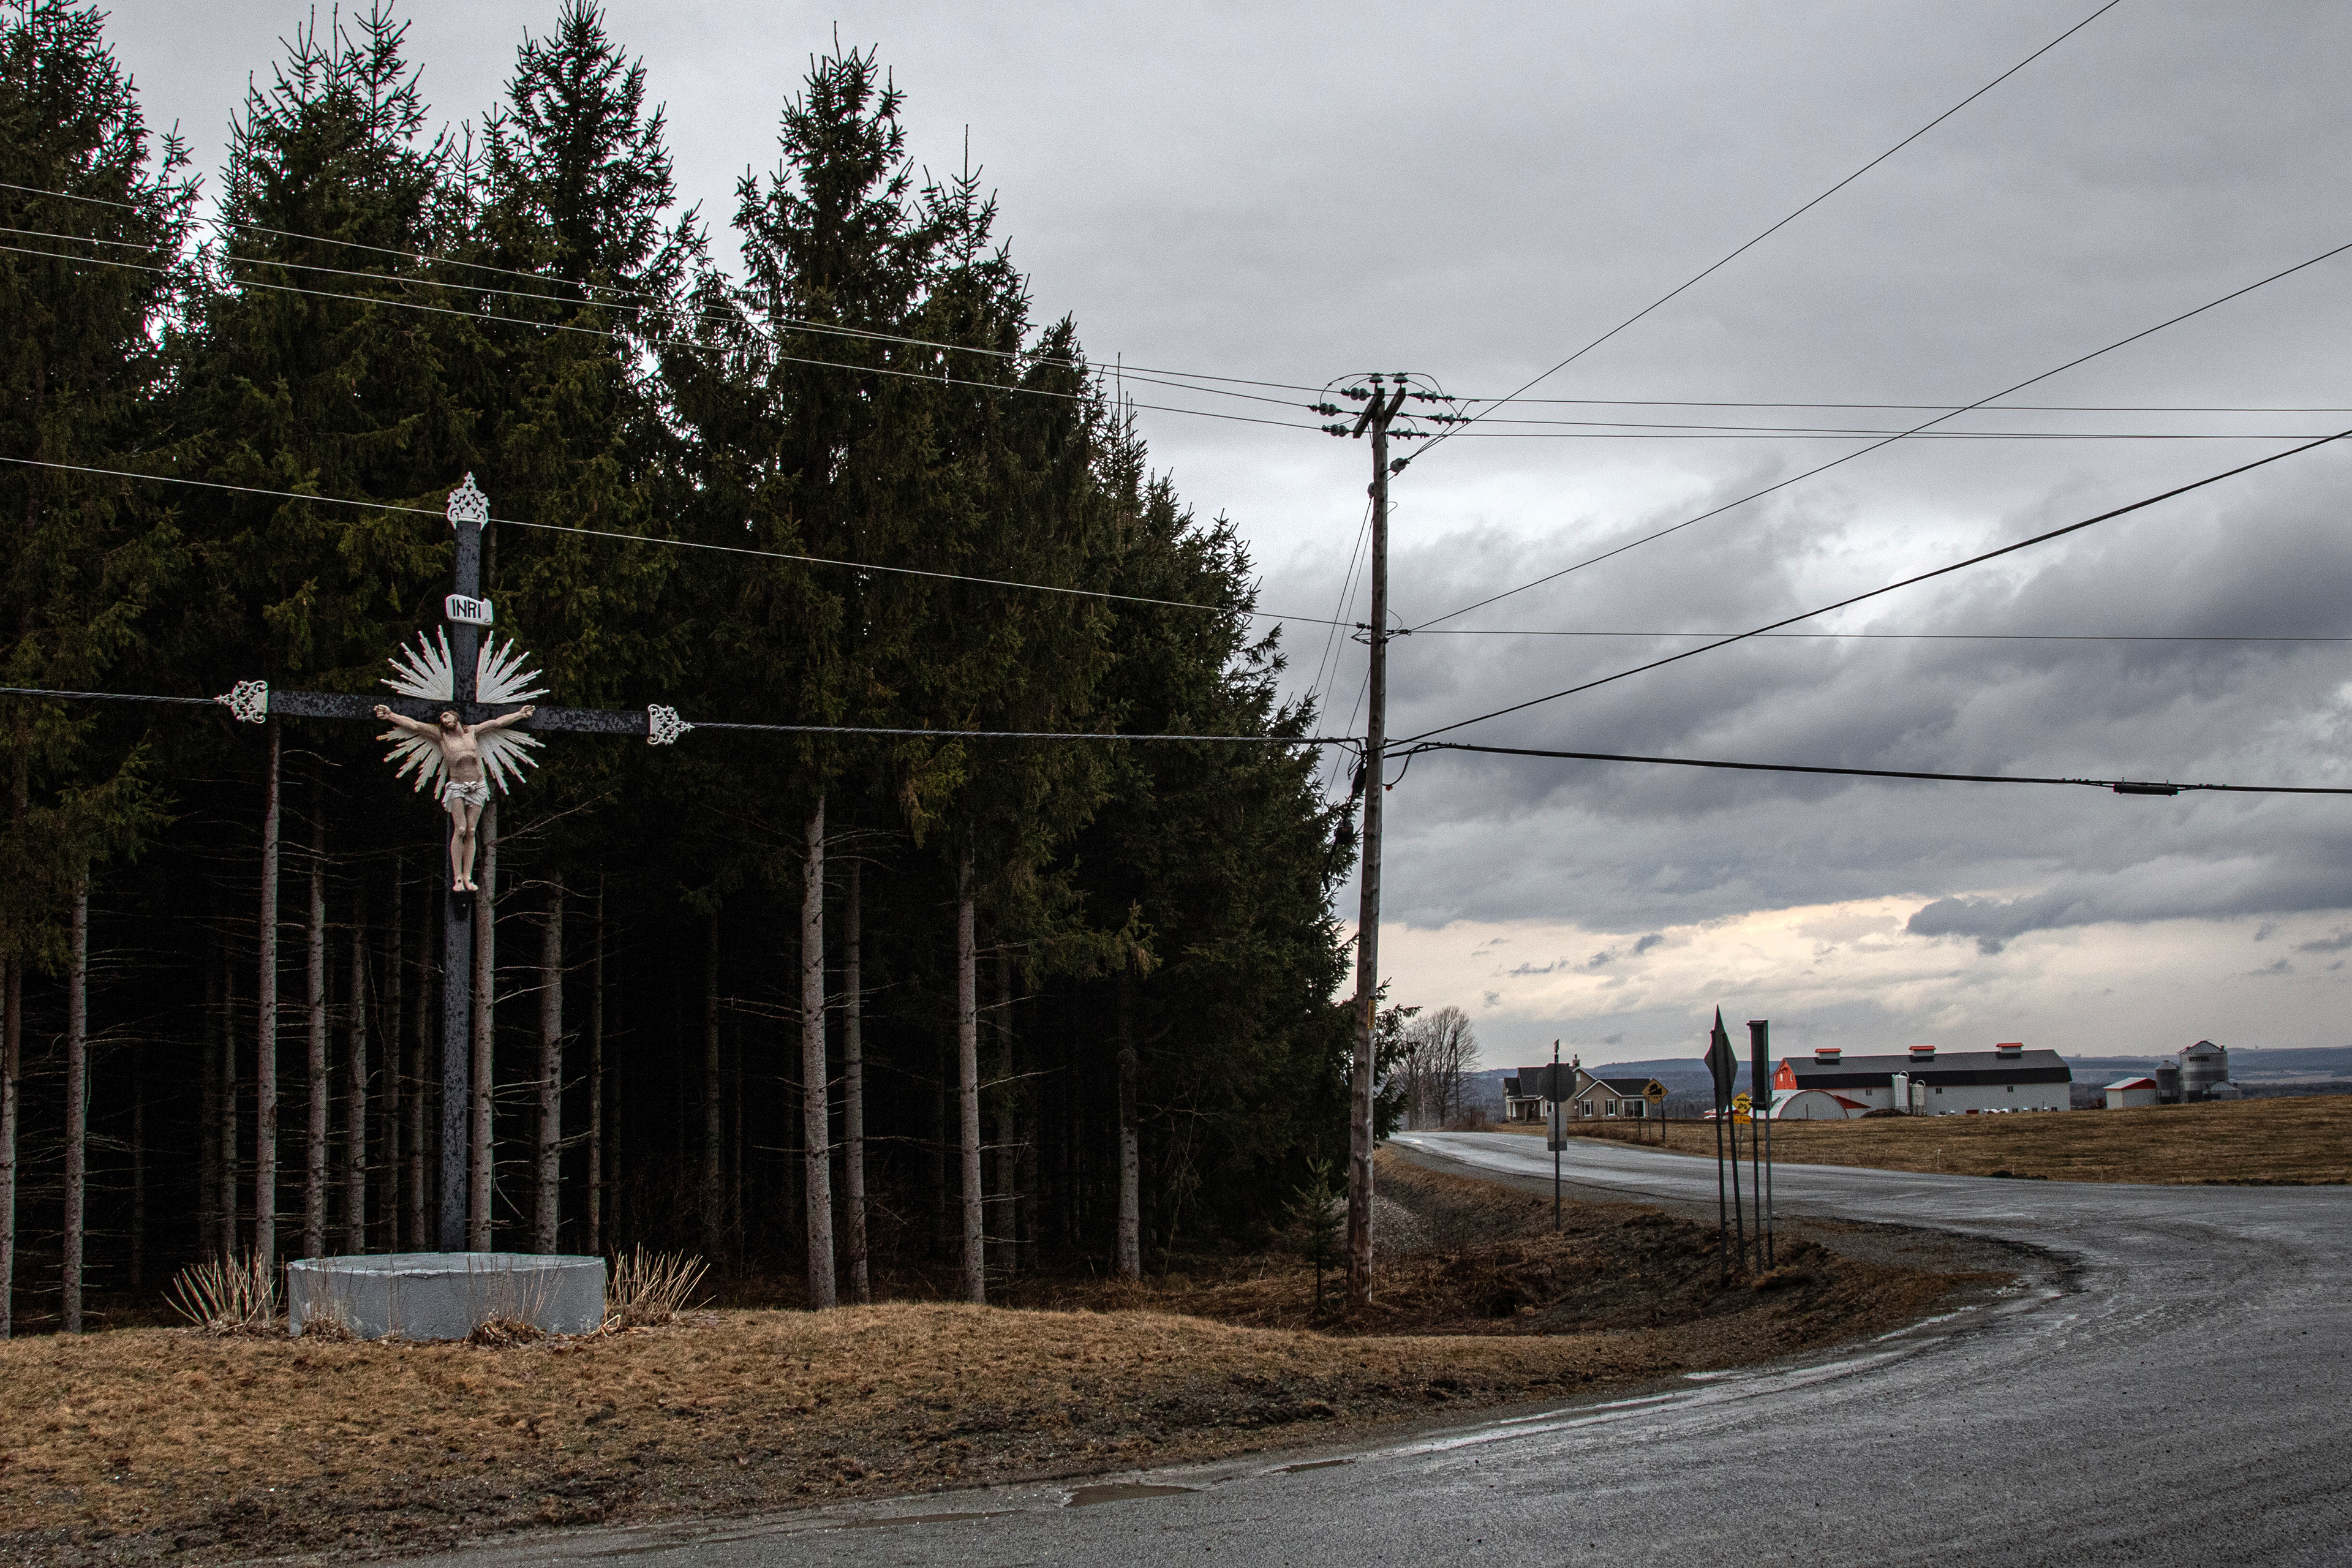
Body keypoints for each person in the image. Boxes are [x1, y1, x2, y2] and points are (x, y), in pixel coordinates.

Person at [372, 704, 536, 892]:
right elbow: (415, 726)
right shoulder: (441, 736)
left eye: (447, 716)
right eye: (442, 718)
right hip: (457, 785)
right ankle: (457, 877)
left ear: (456, 717)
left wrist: (520, 714)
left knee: (472, 830)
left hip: (478, 785)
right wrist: (391, 715)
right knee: (460, 829)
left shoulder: (472, 731)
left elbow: (497, 723)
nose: (444, 720)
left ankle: (468, 876)